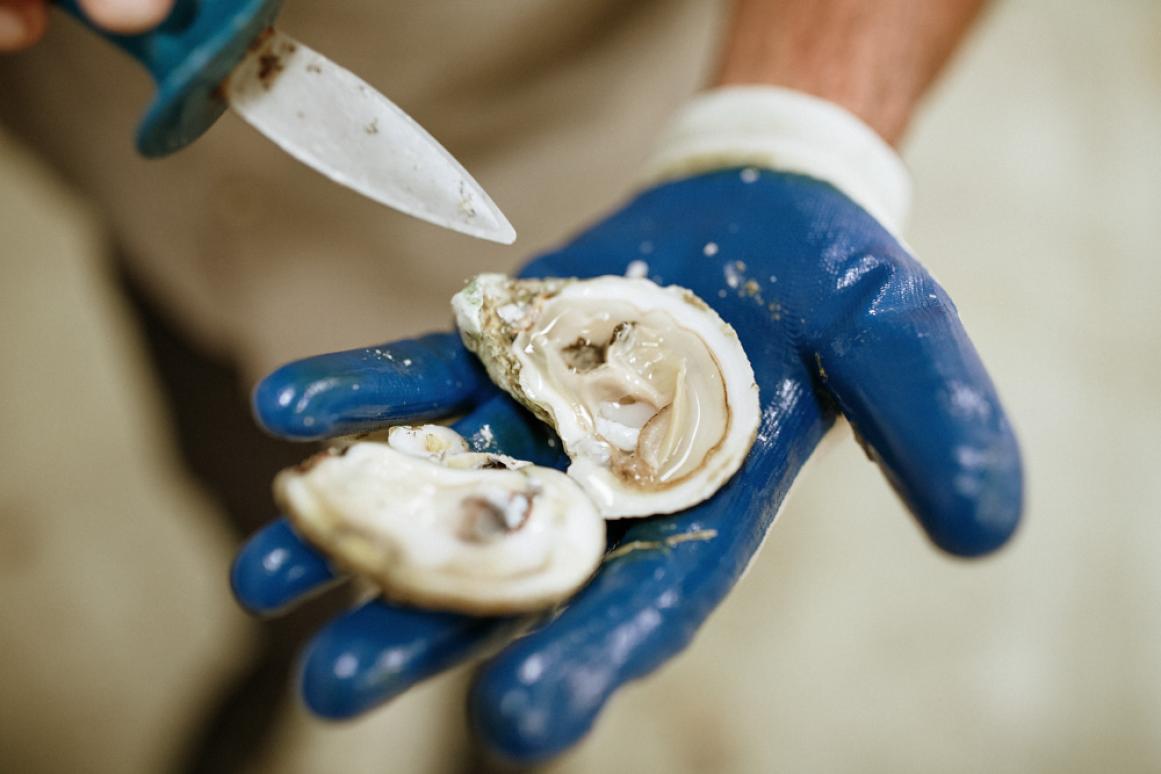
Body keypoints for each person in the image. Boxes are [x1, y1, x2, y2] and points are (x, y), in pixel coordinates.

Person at [0, 0, 1021, 770]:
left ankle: (488, 728)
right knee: (247, 499)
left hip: (576, 186)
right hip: (150, 186)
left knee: (535, 646)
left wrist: (795, 129)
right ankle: (281, 651)